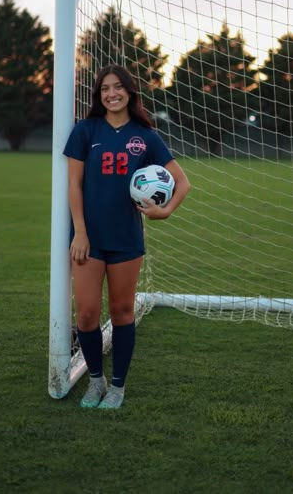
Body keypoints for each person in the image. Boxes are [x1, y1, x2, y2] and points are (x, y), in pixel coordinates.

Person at [63, 64, 190, 409]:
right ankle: (95, 380)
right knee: (87, 316)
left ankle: (117, 386)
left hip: (126, 239)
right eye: (105, 88)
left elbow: (183, 182)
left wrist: (165, 211)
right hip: (87, 239)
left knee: (121, 312)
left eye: (118, 87)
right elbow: (73, 185)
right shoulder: (85, 131)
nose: (111, 94)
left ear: (130, 92)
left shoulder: (146, 136)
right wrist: (80, 232)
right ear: (98, 95)